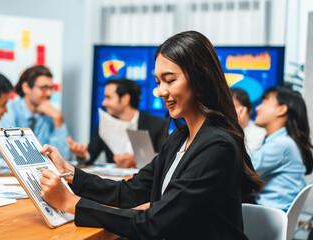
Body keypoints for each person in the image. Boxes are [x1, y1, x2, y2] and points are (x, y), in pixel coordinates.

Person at [38, 31, 263, 239]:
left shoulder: (217, 146)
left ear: (199, 78)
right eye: (158, 81)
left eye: (170, 80)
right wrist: (70, 173)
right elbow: (129, 192)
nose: (160, 91)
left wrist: (71, 203)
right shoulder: (180, 138)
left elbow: (154, 223)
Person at [66, 78, 167, 168]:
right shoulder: (105, 123)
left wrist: (137, 160)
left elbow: (165, 158)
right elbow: (91, 155)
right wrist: (82, 154)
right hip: (114, 184)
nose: (103, 103)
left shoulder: (157, 124)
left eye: (108, 97)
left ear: (125, 99)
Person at [251, 86, 313, 211]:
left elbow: (243, 170)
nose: (257, 107)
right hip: (272, 213)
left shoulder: (281, 144)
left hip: (266, 215)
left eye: (264, 102)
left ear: (281, 109)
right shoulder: (284, 142)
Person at [0, 65, 72, 160]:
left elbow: (64, 158)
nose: (49, 94)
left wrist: (58, 119)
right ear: (26, 87)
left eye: (51, 88)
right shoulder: (8, 110)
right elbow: (11, 156)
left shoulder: (51, 115)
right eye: (44, 88)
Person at [230, 87, 266, 154]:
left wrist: (238, 128)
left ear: (249, 110)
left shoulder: (259, 131)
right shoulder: (220, 128)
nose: (231, 113)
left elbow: (246, 157)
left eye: (235, 107)